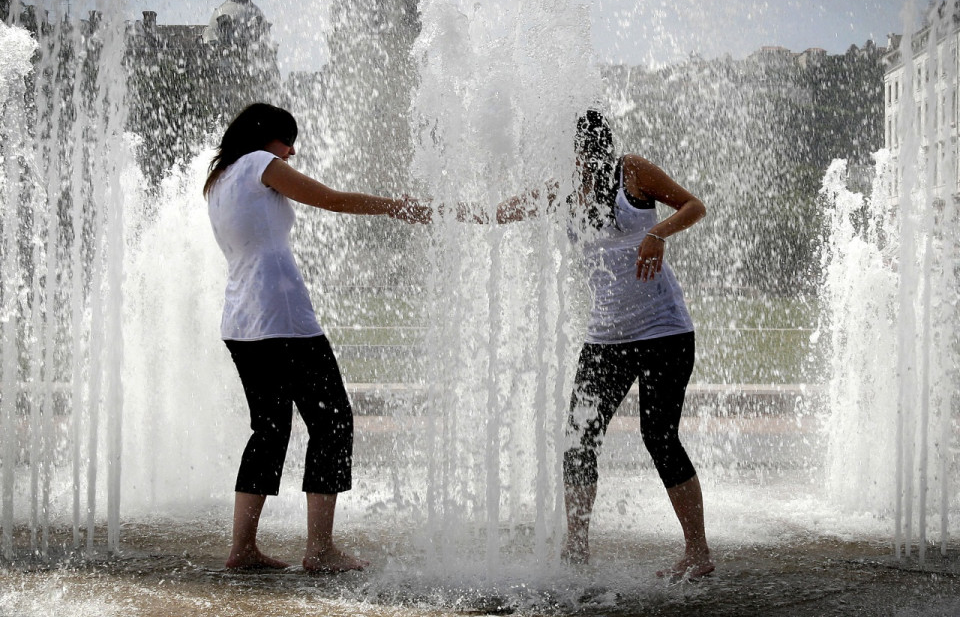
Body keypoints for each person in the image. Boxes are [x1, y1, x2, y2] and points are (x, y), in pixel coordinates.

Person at [474, 109, 712, 579]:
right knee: (578, 438)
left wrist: (656, 233)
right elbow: (500, 214)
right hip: (607, 336)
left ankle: (698, 553)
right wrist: (435, 209)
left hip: (664, 331)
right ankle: (576, 549)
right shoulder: (563, 189)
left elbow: (693, 206)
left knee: (659, 437)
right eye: (576, 150)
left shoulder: (632, 171)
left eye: (586, 148)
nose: (581, 158)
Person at [204, 102, 429, 573]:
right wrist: (399, 207)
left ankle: (242, 549)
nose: (292, 152)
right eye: (290, 141)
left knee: (269, 430)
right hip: (281, 316)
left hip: (242, 320)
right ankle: (320, 550)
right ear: (271, 138)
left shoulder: (220, 178)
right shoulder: (260, 165)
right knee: (332, 420)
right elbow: (331, 199)